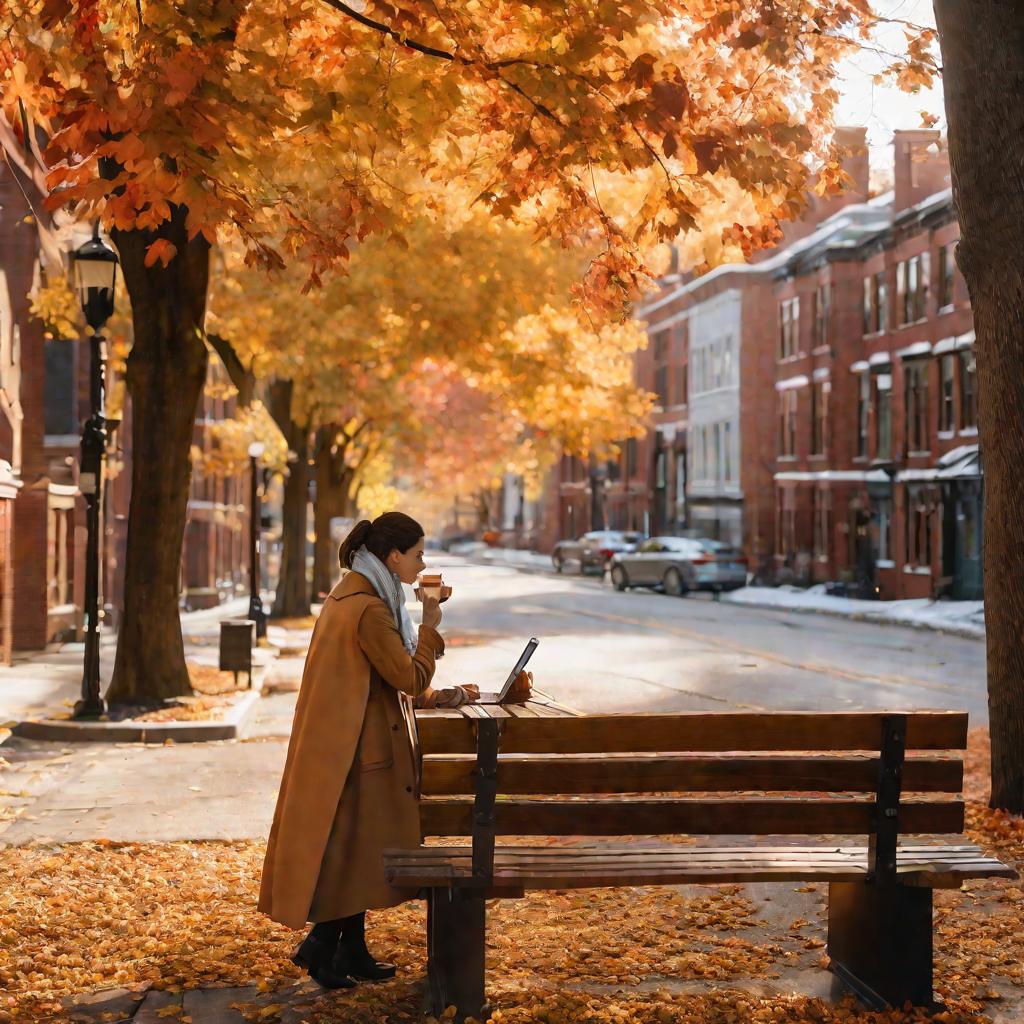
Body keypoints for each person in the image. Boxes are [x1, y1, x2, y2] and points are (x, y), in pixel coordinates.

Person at [258, 511, 529, 989]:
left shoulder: (352, 596)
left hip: (346, 745)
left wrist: (448, 695)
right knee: (362, 848)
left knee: (359, 849)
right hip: (360, 751)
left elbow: (386, 677)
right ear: (393, 555)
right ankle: (322, 947)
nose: (422, 564)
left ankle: (350, 950)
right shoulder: (370, 609)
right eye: (418, 554)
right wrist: (430, 622)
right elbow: (406, 676)